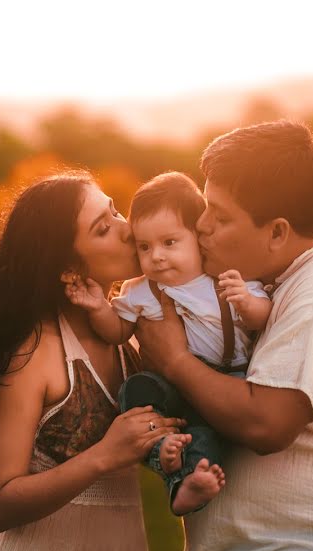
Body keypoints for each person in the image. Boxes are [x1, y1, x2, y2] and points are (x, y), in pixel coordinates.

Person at [136, 120, 313, 551]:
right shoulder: (276, 285)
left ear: (277, 232)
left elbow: (266, 423)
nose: (201, 225)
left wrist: (176, 360)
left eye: (219, 215)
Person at [0, 171, 184, 551]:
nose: (127, 229)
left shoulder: (131, 333)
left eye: (116, 212)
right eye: (104, 228)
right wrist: (104, 455)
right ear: (68, 268)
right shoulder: (34, 352)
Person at [64, 172, 272, 515]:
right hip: (172, 387)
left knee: (204, 434)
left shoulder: (224, 277)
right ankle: (162, 447)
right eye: (144, 247)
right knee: (137, 389)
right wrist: (99, 306)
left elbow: (263, 318)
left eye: (169, 243)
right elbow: (117, 330)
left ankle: (188, 481)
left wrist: (247, 304)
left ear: (198, 236)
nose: (156, 256)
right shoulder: (142, 289)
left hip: (226, 380)